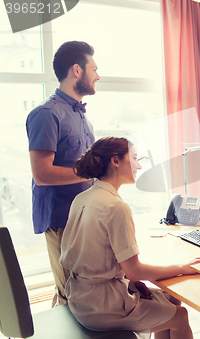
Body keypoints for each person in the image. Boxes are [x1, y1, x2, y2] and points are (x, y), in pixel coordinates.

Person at [60, 137, 200, 339]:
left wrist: (130, 282)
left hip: (80, 297)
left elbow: (95, 258)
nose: (139, 165)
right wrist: (182, 268)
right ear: (116, 161)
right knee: (181, 316)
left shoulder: (82, 198)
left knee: (171, 300)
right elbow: (134, 270)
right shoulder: (116, 207)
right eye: (135, 158)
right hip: (103, 307)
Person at [26, 41, 100, 306]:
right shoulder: (46, 114)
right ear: (77, 71)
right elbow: (42, 174)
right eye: (94, 69)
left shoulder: (81, 115)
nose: (98, 76)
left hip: (84, 215)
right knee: (70, 294)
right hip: (61, 218)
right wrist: (92, 172)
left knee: (79, 294)